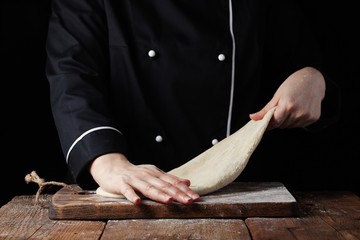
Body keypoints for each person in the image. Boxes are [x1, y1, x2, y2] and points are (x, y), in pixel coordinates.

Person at [45, 0, 340, 205]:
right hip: (125, 188)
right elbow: (71, 72)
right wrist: (106, 161)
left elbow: (304, 63)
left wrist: (312, 78)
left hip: (237, 194)